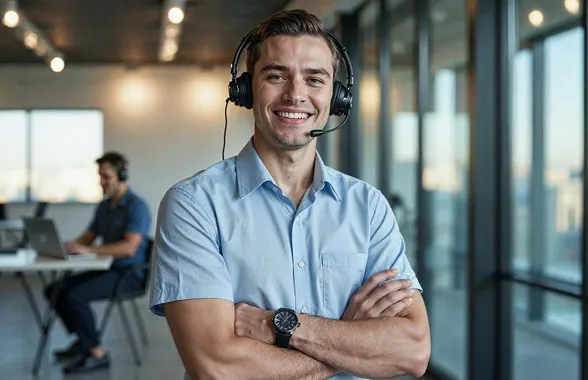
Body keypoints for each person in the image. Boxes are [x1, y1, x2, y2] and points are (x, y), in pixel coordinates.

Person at [149, 9, 430, 380]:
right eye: (277, 75)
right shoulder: (194, 205)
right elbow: (216, 365)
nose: (296, 94)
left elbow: (411, 350)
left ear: (337, 96)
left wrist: (282, 326)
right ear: (246, 90)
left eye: (315, 79)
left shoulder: (368, 207)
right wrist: (348, 340)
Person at [44, 151, 151, 374]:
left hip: (128, 275)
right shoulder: (104, 206)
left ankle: (97, 353)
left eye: (106, 176)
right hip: (106, 269)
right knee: (55, 289)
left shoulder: (137, 206)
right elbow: (88, 237)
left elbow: (129, 248)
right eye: (100, 176)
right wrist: (69, 246)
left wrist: (88, 249)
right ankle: (85, 341)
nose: (101, 181)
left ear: (121, 176)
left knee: (74, 296)